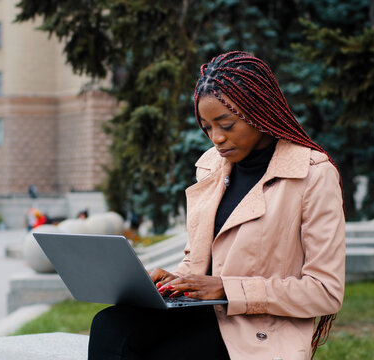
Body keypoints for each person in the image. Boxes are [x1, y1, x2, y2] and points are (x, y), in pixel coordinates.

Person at [88, 51, 346, 360]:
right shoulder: (211, 166)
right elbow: (202, 262)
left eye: (226, 124)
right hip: (203, 313)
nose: (217, 139)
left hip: (258, 330)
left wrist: (226, 289)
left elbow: (325, 292)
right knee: (110, 324)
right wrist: (174, 280)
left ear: (259, 112)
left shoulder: (313, 174)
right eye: (207, 127)